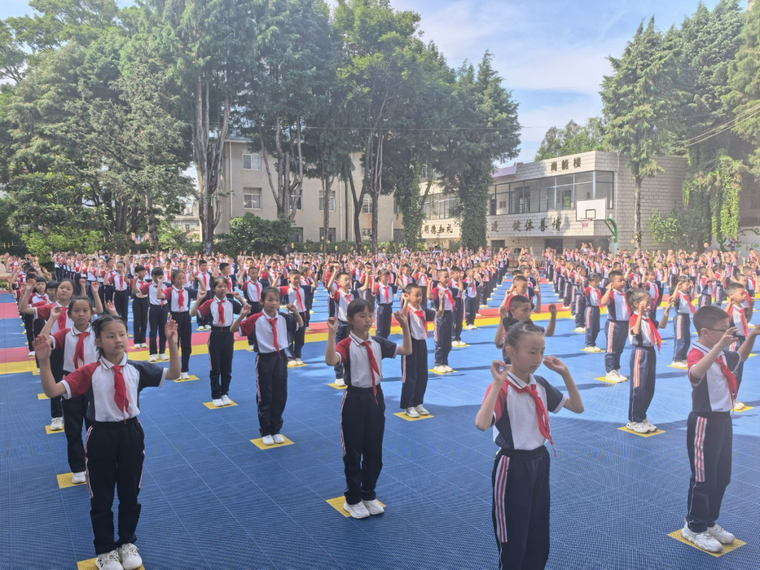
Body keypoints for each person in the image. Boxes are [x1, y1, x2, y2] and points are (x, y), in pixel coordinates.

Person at [34, 315, 180, 570]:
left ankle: (126, 542)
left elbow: (175, 373)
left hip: (131, 434)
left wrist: (172, 343)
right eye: (110, 336)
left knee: (130, 492)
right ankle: (105, 551)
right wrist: (44, 361)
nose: (118, 340)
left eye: (122, 334)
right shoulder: (89, 372)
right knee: (101, 496)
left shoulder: (137, 368)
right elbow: (52, 391)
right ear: (99, 341)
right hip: (101, 436)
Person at [476, 322, 584, 570]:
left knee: (538, 532)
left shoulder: (540, 384)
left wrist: (565, 373)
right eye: (532, 352)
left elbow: (577, 407)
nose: (538, 358)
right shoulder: (503, 387)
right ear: (511, 352)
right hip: (512, 466)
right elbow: (481, 423)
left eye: (541, 352)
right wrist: (496, 384)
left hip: (540, 461)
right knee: (513, 537)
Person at [681, 306, 760, 553]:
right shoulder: (697, 352)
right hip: (704, 422)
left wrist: (752, 335)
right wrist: (719, 347)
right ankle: (694, 527)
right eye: (723, 329)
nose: (729, 333)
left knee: (722, 476)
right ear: (705, 332)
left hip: (724, 420)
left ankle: (709, 521)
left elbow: (740, 358)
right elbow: (695, 373)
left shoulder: (722, 353)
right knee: (703, 479)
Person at [324, 300, 412, 519]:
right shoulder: (346, 344)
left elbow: (407, 350)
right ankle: (353, 499)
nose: (368, 320)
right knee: (353, 451)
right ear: (350, 320)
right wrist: (331, 333)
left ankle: (368, 494)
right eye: (362, 316)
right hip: (354, 399)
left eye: (370, 315)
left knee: (374, 449)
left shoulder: (378, 342)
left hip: (375, 398)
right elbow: (331, 360)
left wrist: (405, 326)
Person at [233, 287, 303, 445]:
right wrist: (242, 315)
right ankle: (265, 431)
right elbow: (233, 329)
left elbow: (299, 324)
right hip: (264, 359)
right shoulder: (256, 319)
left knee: (280, 394)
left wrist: (296, 312)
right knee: (265, 395)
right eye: (270, 300)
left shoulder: (283, 317)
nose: (274, 303)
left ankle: (276, 429)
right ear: (262, 302)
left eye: (277, 300)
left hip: (280, 358)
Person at [190, 277, 245, 407]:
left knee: (227, 366)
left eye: (225, 286)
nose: (222, 289)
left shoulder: (231, 302)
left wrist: (240, 299)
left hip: (228, 333)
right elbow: (192, 313)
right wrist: (199, 299)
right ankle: (216, 395)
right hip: (215, 334)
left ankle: (224, 393)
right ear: (214, 289)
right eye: (219, 286)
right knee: (215, 367)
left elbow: (246, 310)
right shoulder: (210, 303)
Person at [625, 289, 671, 433]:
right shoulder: (634, 317)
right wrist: (639, 313)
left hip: (650, 353)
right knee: (638, 388)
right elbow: (636, 331)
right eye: (647, 302)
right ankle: (634, 420)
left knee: (649, 388)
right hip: (640, 353)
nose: (649, 305)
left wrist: (667, 309)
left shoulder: (647, 319)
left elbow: (662, 325)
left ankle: (642, 415)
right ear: (636, 304)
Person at [399, 283, 438, 418]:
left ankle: (418, 403)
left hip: (421, 344)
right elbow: (402, 318)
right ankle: (408, 405)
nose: (419, 298)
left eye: (420, 295)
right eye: (416, 295)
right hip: (409, 345)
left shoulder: (422, 309)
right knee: (410, 377)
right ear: (407, 296)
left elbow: (437, 314)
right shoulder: (407, 309)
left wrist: (442, 302)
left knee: (422, 375)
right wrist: (405, 302)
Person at [164, 269, 202, 380]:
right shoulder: (170, 290)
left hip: (186, 316)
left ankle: (185, 369)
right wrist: (160, 283)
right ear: (173, 279)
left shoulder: (187, 290)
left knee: (186, 344)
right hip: (174, 317)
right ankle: (175, 370)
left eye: (182, 278)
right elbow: (160, 296)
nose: (181, 280)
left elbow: (203, 292)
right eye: (178, 278)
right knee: (174, 344)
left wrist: (199, 280)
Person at [134, 268, 168, 363]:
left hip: (164, 308)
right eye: (155, 276)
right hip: (153, 309)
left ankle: (162, 352)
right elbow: (136, 291)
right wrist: (134, 281)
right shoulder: (148, 285)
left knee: (163, 332)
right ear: (152, 276)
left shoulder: (166, 285)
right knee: (152, 332)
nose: (158, 278)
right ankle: (153, 354)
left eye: (160, 276)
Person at [601, 270, 630, 382]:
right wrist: (609, 289)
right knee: (611, 349)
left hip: (624, 324)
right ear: (612, 283)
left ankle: (616, 370)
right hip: (614, 324)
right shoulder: (612, 294)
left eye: (623, 280)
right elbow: (603, 302)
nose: (623, 282)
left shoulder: (625, 293)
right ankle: (610, 371)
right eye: (619, 281)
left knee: (619, 349)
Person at [429, 269, 458, 373]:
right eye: (445, 277)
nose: (447, 278)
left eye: (448, 276)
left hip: (449, 314)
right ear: (439, 278)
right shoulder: (436, 290)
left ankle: (445, 362)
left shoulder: (449, 290)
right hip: (440, 315)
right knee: (439, 340)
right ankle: (438, 363)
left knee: (447, 341)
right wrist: (429, 284)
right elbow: (429, 297)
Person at [671, 275, 695, 367]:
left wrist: (692, 288)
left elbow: (692, 298)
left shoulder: (686, 294)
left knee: (686, 338)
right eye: (686, 285)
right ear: (680, 285)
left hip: (686, 316)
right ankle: (676, 359)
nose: (688, 286)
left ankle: (683, 357)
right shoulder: (678, 294)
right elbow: (673, 299)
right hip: (680, 317)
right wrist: (676, 288)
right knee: (680, 338)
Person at [583, 273, 604, 352]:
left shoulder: (598, 290)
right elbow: (583, 292)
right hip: (590, 309)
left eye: (598, 281)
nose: (597, 283)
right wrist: (580, 285)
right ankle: (588, 344)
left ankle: (593, 343)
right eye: (595, 281)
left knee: (596, 328)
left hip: (597, 309)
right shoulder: (588, 289)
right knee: (590, 328)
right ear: (590, 282)